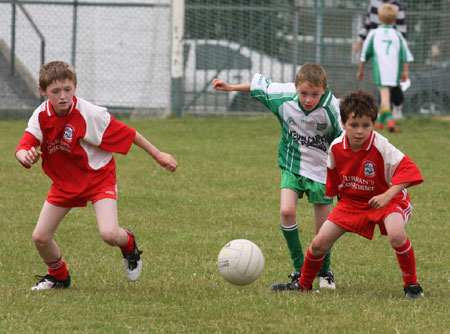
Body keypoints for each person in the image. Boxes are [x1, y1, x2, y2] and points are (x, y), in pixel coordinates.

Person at [15, 61, 178, 291]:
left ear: (75, 87)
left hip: (98, 177)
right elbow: (25, 145)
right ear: (42, 91)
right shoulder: (40, 116)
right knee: (40, 237)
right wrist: (25, 156)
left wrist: (158, 154)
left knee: (110, 234)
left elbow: (129, 134)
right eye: (55, 91)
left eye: (68, 90)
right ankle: (59, 276)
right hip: (65, 183)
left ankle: (129, 244)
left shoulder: (88, 114)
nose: (63, 96)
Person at [212, 63, 343, 291]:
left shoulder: (333, 109)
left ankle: (324, 271)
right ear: (296, 88)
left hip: (322, 171)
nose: (309, 99)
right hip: (291, 165)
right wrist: (231, 87)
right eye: (304, 93)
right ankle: (301, 269)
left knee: (323, 231)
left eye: (315, 94)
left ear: (325, 89)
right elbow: (259, 87)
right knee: (286, 212)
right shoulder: (283, 96)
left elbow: (345, 144)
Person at [297, 89, 424, 299]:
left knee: (397, 235)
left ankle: (412, 285)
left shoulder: (381, 145)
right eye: (353, 125)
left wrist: (387, 196)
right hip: (352, 202)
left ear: (373, 124)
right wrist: (341, 209)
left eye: (366, 125)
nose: (359, 131)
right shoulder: (336, 148)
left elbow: (410, 171)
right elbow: (334, 180)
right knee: (319, 243)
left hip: (387, 199)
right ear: (344, 124)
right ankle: (302, 285)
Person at [357, 3, 413, 132]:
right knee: (386, 94)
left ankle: (390, 120)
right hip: (394, 72)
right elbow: (406, 56)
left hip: (381, 71)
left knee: (385, 94)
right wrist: (405, 72)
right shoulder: (398, 35)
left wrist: (360, 70)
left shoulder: (374, 34)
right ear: (394, 19)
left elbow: (364, 54)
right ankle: (380, 122)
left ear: (379, 17)